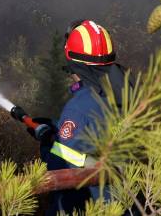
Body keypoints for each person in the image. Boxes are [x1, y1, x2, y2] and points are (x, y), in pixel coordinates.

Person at [28, 19, 131, 215]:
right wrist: (57, 128)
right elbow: (97, 130)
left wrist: (48, 143)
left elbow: (61, 167)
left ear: (73, 63)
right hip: (131, 205)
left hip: (90, 206)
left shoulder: (78, 109)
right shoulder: (128, 91)